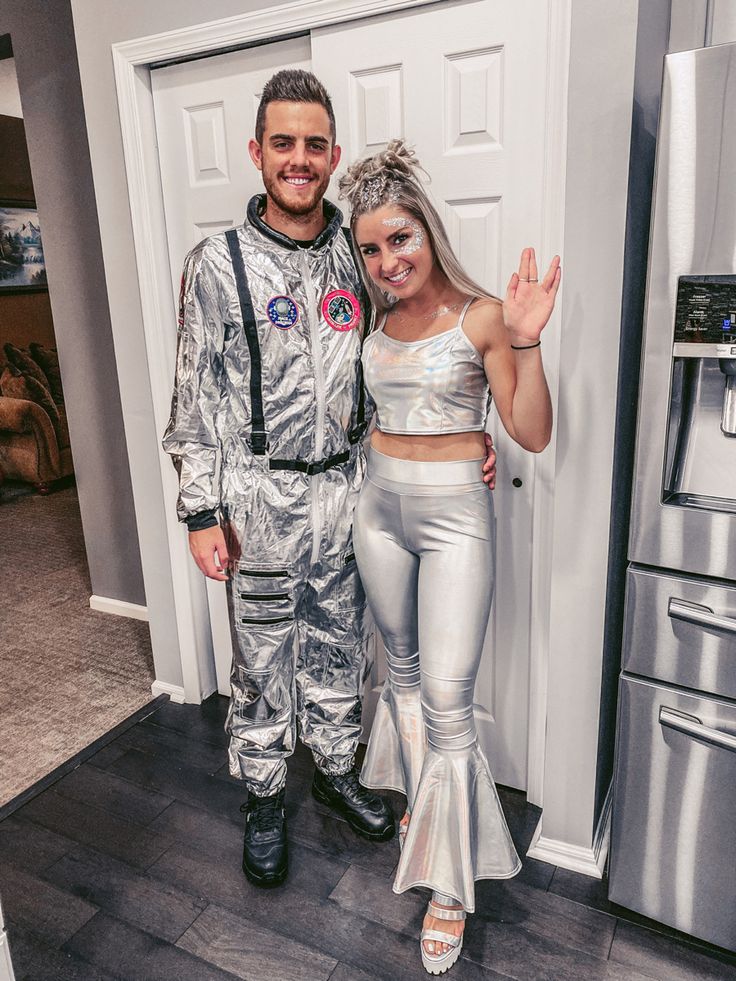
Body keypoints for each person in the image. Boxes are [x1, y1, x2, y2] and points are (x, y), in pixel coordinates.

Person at [162, 70, 497, 891]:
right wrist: (202, 510)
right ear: (257, 152)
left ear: (333, 152)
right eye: (284, 143)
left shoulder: (362, 249)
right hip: (258, 499)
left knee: (343, 644)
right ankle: (267, 795)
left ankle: (339, 770)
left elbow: (424, 334)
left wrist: (470, 429)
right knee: (265, 654)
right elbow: (194, 396)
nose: (300, 160)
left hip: (351, 489)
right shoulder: (216, 265)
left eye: (315, 145)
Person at [339, 141, 558, 974]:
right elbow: (389, 413)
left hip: (454, 522)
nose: (387, 260)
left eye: (400, 238)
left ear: (426, 231)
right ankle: (420, 814)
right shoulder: (377, 322)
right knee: (397, 671)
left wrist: (528, 341)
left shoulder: (482, 316)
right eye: (370, 247)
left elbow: (531, 432)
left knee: (447, 699)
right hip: (378, 510)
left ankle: (449, 885)